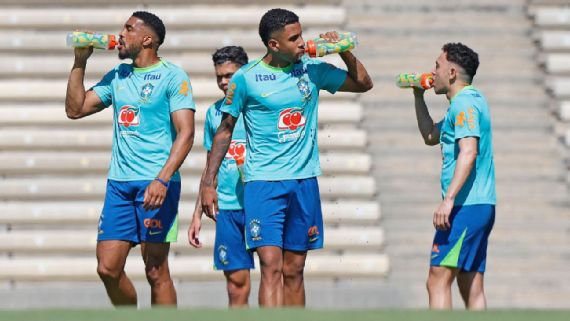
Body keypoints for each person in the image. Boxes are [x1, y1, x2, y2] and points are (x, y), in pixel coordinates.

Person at [200, 8, 373, 307]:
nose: (302, 43)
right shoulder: (246, 78)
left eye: (301, 34)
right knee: (271, 266)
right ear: (273, 44)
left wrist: (344, 52)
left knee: (294, 270)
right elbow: (225, 130)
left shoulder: (312, 70)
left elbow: (363, 84)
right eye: (294, 38)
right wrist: (208, 183)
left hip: (304, 182)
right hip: (262, 184)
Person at [65, 11, 196, 306]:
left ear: (147, 39)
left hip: (157, 184)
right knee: (107, 268)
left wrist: (162, 179)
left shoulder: (174, 76)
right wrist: (80, 61)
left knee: (155, 270)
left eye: (128, 29)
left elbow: (186, 134)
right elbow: (76, 109)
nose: (120, 34)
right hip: (119, 186)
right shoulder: (118, 75)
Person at [412, 43, 496, 310]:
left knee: (437, 280)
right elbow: (430, 136)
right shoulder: (470, 100)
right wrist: (418, 97)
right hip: (480, 204)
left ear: (451, 72)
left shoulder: (464, 104)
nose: (432, 72)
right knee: (470, 283)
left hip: (465, 206)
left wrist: (448, 200)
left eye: (437, 66)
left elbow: (468, 152)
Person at [187, 46, 253, 307]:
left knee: (276, 275)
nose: (224, 81)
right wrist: (196, 214)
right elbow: (209, 167)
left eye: (230, 75)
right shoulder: (215, 113)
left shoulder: (260, 108)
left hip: (263, 203)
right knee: (236, 285)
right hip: (227, 207)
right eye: (219, 77)